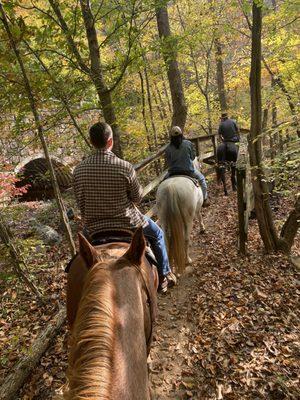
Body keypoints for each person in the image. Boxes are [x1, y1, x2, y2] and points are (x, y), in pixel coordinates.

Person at [73, 122, 176, 293]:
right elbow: (137, 197)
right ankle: (164, 275)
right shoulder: (124, 167)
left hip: (93, 228)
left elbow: (81, 204)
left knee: (80, 257)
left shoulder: (78, 170)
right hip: (127, 224)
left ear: (91, 142)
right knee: (157, 234)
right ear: (110, 141)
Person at [165, 126, 210, 207]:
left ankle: (161, 205)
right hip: (188, 171)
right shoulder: (188, 143)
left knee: (162, 184)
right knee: (202, 179)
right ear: (181, 134)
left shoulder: (168, 148)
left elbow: (168, 162)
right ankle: (205, 199)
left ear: (171, 137)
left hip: (172, 172)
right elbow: (193, 157)